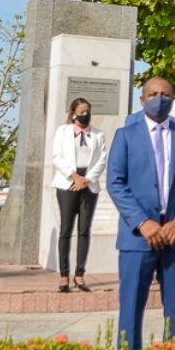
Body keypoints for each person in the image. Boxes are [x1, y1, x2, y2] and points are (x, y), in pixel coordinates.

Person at [107, 77, 175, 350]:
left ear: (172, 100)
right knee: (130, 309)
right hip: (138, 238)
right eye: (152, 94)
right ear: (142, 100)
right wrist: (142, 222)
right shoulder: (125, 136)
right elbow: (115, 182)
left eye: (165, 94)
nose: (159, 99)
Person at [51, 97, 108, 293]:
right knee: (66, 230)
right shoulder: (63, 131)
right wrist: (74, 176)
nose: (85, 115)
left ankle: (80, 274)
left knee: (84, 230)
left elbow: (102, 159)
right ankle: (64, 275)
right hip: (67, 183)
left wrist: (87, 179)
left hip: (88, 185)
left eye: (88, 111)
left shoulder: (98, 134)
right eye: (82, 112)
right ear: (74, 113)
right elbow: (56, 156)